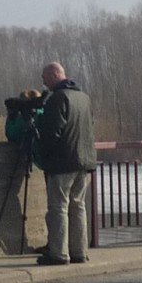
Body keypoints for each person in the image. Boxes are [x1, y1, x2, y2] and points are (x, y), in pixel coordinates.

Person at [33, 60, 96, 265]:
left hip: (63, 162)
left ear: (53, 76)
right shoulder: (83, 98)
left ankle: (59, 253)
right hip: (84, 160)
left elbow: (52, 133)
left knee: (59, 206)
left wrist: (43, 152)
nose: (43, 83)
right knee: (78, 207)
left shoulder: (58, 99)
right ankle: (79, 251)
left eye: (44, 78)